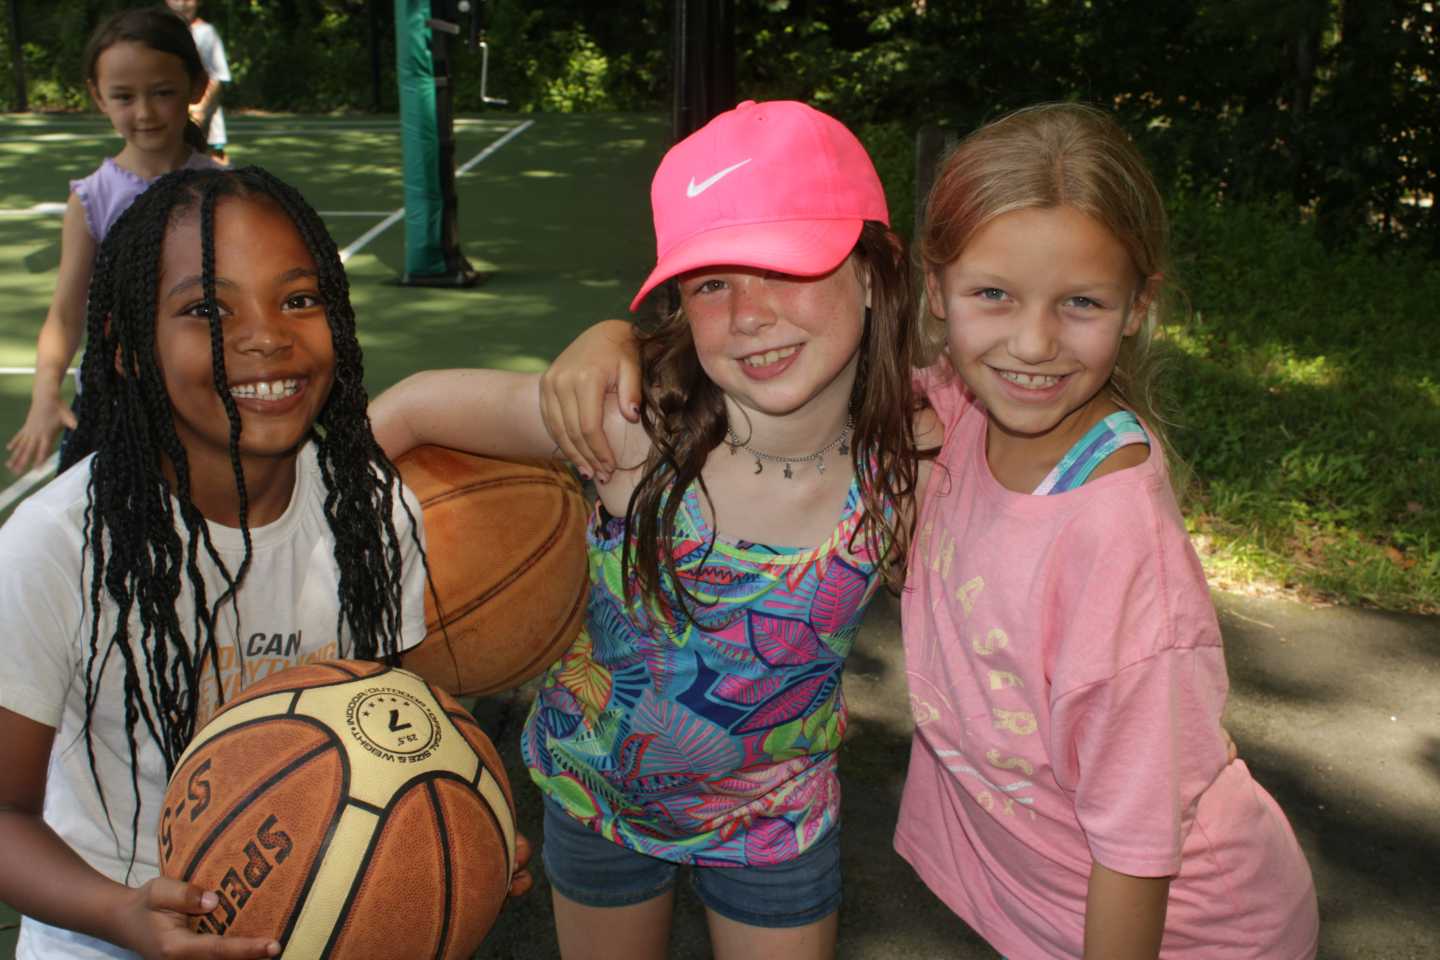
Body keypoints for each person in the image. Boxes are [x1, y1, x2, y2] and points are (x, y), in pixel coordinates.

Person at [541, 103, 1319, 959]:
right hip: (1041, 910)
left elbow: (1138, 841)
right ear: (937, 290)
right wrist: (611, 340)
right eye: (994, 295)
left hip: (1185, 932)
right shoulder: (953, 411)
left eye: (1081, 303)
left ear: (1137, 306)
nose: (1033, 343)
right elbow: (803, 375)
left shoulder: (1115, 541)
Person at [369, 100, 938, 960]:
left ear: (871, 272)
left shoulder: (914, 461)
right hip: (598, 797)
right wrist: (288, 523)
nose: (750, 312)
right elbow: (415, 407)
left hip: (773, 817)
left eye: (785, 266)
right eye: (712, 283)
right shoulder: (633, 428)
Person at [0, 166, 529, 960]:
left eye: (300, 299)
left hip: (320, 923)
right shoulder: (54, 545)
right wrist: (119, 914)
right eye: (206, 309)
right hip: (103, 937)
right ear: (127, 345)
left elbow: (391, 730)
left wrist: (452, 820)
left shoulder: (369, 510)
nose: (266, 336)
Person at [5, 7, 219, 476]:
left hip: (203, 394)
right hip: (114, 401)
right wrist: (45, 395)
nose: (144, 112)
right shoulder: (92, 198)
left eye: (162, 92)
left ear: (196, 86)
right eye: (124, 96)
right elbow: (65, 314)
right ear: (98, 96)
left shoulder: (223, 190)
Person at [165, 0, 232, 163]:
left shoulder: (207, 32)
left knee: (210, 163)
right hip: (171, 117)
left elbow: (217, 77)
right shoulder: (159, 33)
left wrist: (202, 112)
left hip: (203, 114)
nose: (182, 3)